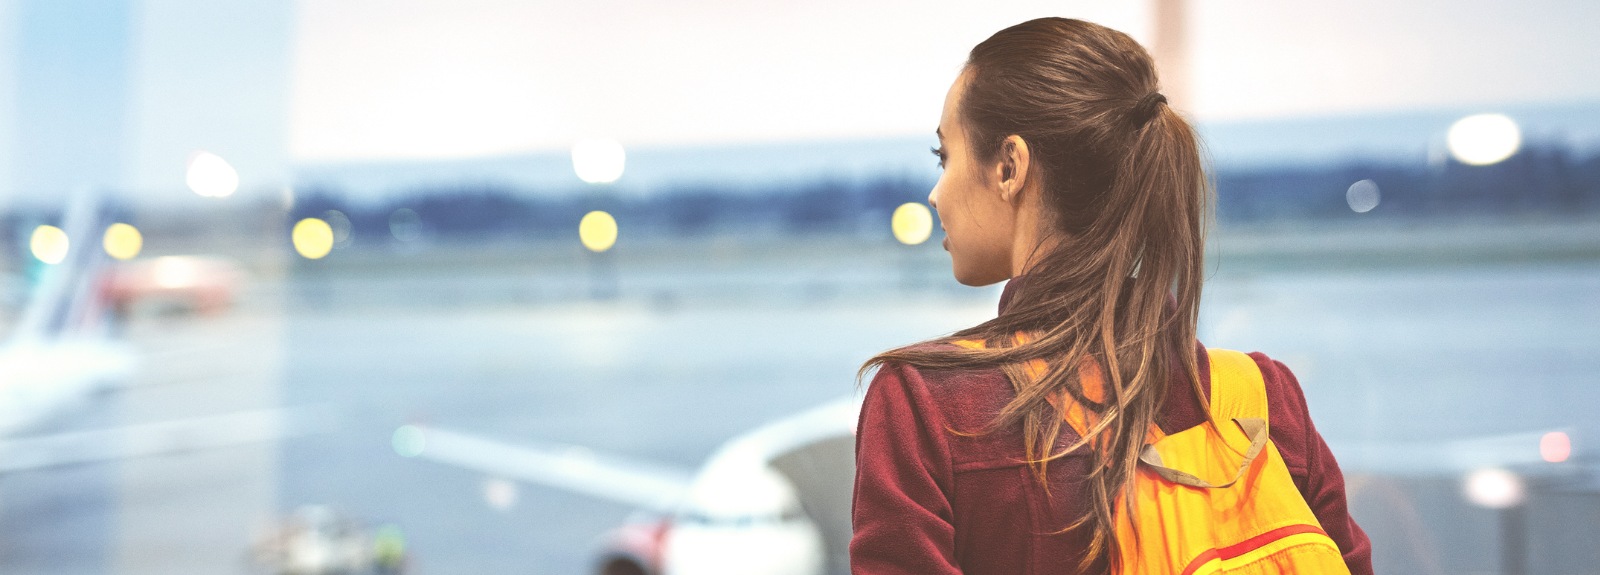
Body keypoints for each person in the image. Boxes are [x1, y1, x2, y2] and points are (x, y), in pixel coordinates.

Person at [850, 17, 1372, 575]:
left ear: (1010, 166)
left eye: (944, 156)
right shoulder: (1264, 401)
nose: (935, 193)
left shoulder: (928, 407)